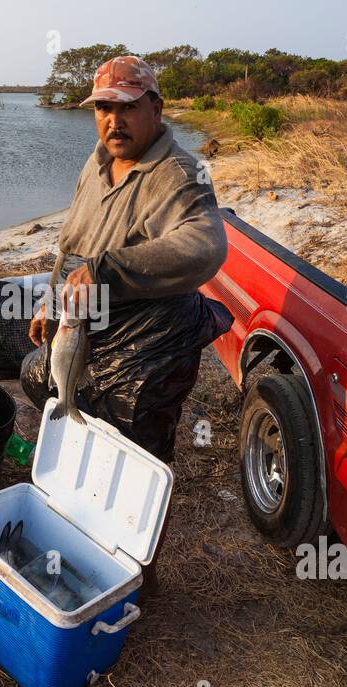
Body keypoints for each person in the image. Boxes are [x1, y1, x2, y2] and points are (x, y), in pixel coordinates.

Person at [24, 55, 232, 596]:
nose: (113, 121)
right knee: (73, 416)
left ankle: (136, 574)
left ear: (156, 108)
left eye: (126, 108)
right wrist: (51, 299)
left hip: (154, 339)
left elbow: (205, 247)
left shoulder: (179, 175)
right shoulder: (95, 165)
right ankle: (83, 536)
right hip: (90, 326)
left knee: (140, 453)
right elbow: (72, 248)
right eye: (102, 109)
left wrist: (109, 268)